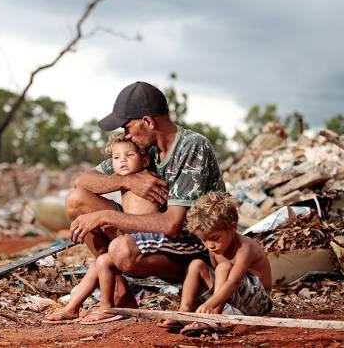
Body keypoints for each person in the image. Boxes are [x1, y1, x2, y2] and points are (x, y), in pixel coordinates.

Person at [66, 81, 226, 314]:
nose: (125, 134)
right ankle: (120, 292)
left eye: (128, 127)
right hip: (151, 237)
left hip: (193, 247)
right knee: (77, 199)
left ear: (149, 122)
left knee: (121, 250)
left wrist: (105, 217)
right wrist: (125, 180)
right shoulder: (142, 146)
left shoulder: (192, 147)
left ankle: (129, 261)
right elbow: (82, 180)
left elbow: (172, 225)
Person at [44, 134, 158, 324]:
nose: (122, 161)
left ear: (145, 160)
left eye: (129, 155)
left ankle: (106, 306)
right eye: (116, 158)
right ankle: (73, 307)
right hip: (127, 233)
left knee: (102, 262)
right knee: (98, 264)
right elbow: (81, 181)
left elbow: (146, 221)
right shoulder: (126, 174)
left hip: (144, 239)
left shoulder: (147, 178)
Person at [160, 191, 273, 334]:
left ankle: (214, 318)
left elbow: (233, 281)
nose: (210, 245)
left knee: (223, 267)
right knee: (196, 264)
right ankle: (185, 312)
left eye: (215, 238)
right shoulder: (214, 248)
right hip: (233, 298)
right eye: (204, 240)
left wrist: (210, 303)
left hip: (259, 302)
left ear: (233, 227)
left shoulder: (245, 248)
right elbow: (219, 281)